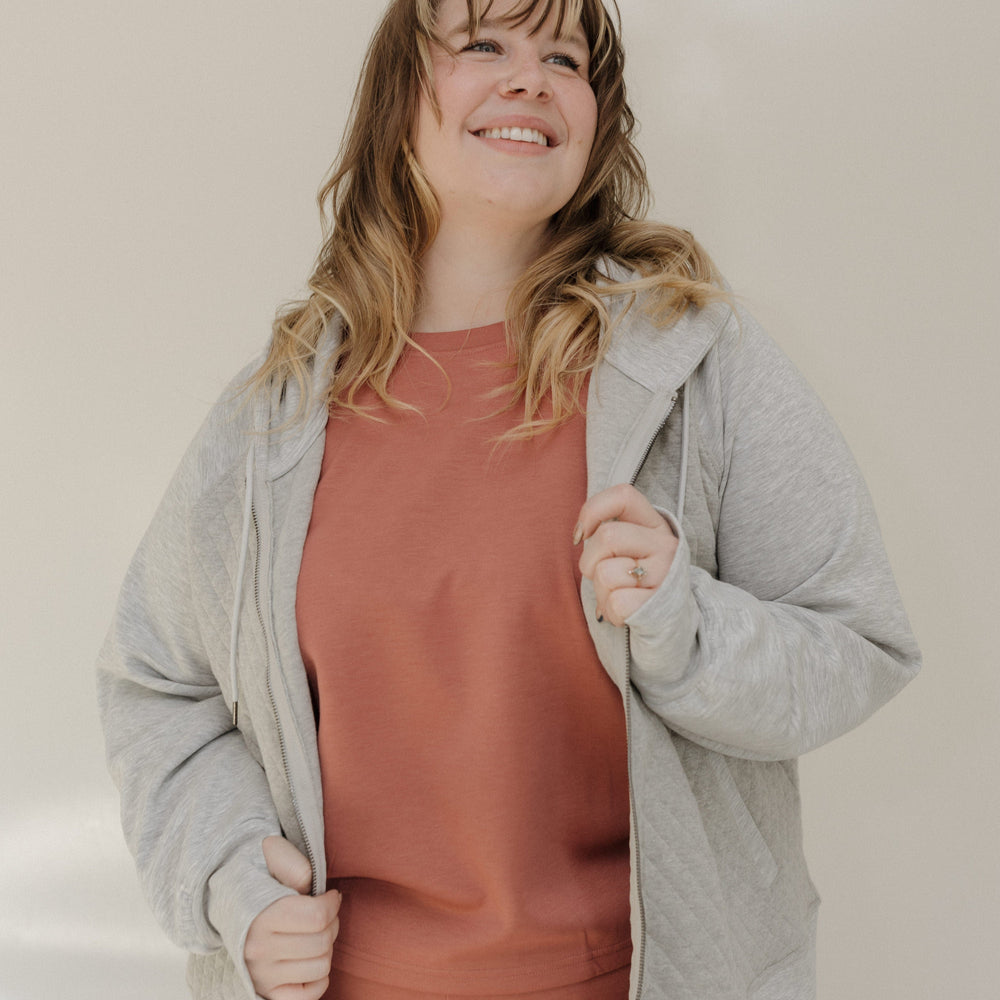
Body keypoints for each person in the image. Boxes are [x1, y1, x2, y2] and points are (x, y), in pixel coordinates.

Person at [97, 1, 921, 998]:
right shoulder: (272, 416)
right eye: (484, 44)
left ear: (591, 124)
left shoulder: (695, 362)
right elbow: (155, 681)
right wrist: (232, 880)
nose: (529, 77)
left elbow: (856, 646)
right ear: (401, 103)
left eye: (563, 58)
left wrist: (683, 621)